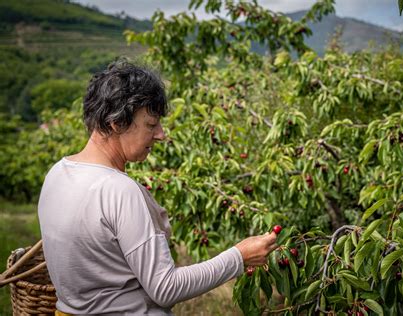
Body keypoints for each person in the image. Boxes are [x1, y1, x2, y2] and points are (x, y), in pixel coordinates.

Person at [38, 61, 278, 315]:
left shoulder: (57, 173)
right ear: (116, 123)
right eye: (151, 125)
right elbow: (166, 288)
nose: (161, 134)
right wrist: (238, 257)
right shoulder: (119, 191)